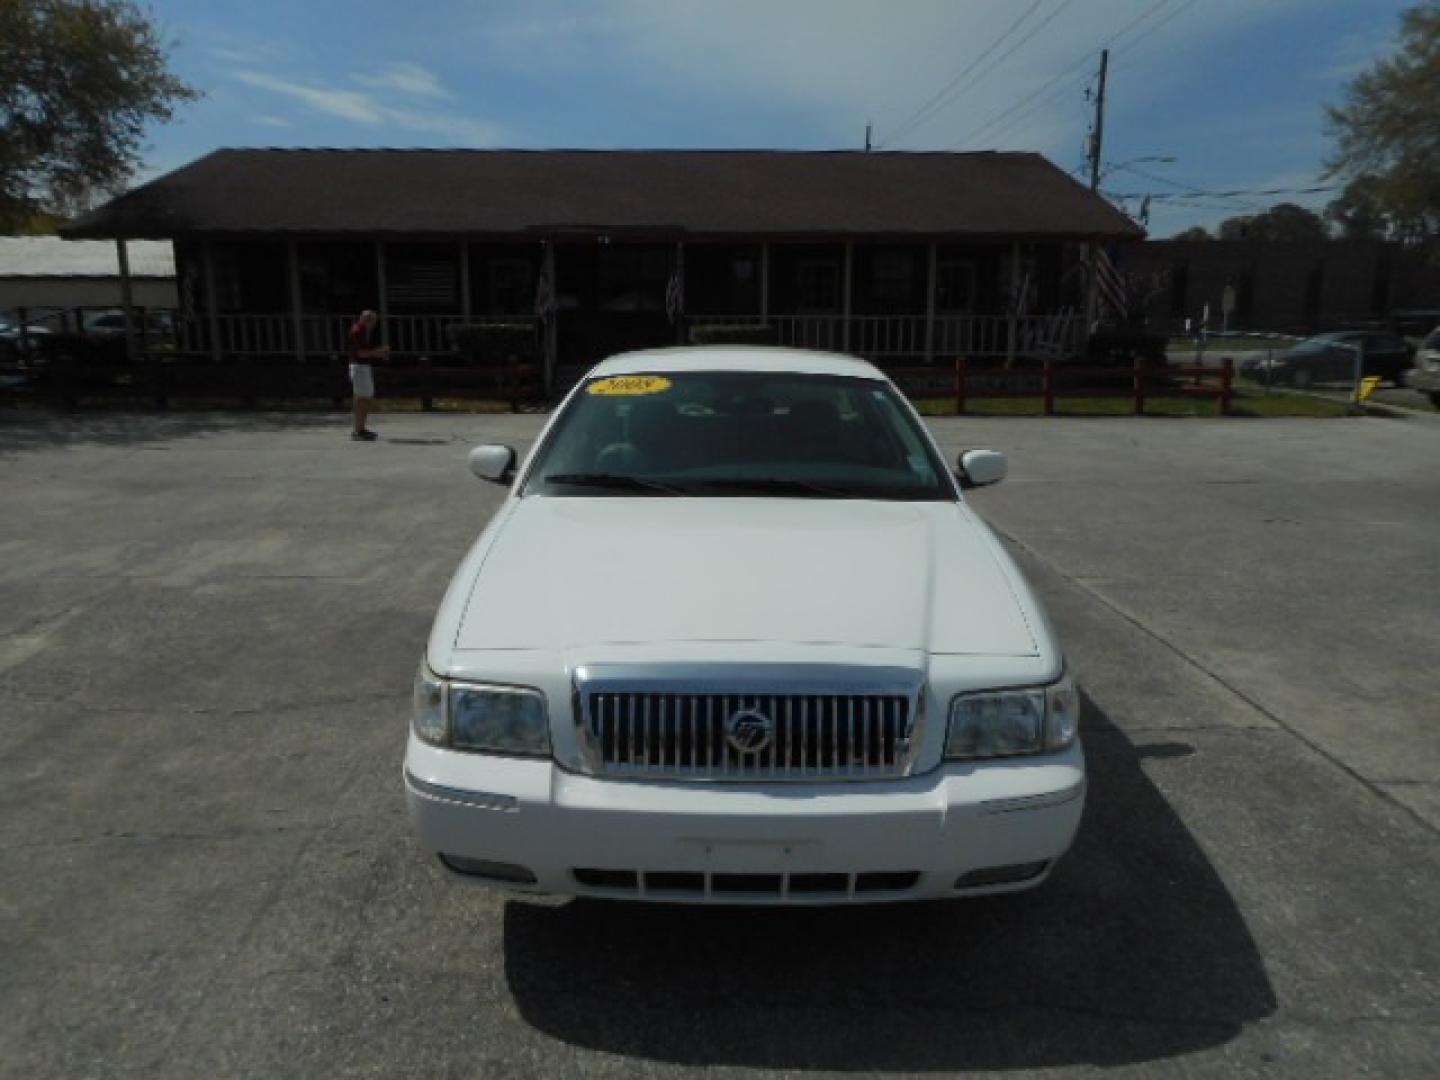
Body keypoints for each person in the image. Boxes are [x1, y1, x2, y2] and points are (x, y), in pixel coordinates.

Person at [347, 309, 389, 441]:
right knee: (362, 399)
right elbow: (361, 353)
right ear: (367, 320)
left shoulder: (361, 330)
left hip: (361, 367)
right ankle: (358, 431)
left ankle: (361, 428)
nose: (374, 325)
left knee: (364, 398)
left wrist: (377, 353)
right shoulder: (358, 331)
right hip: (359, 367)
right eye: (373, 321)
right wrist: (379, 352)